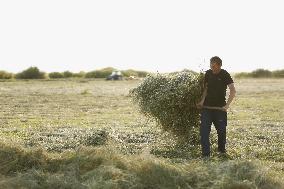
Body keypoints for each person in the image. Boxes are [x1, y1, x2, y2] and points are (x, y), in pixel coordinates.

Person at [196, 56, 236, 157]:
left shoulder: (225, 74)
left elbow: (232, 90)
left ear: (219, 65)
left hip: (220, 109)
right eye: (211, 65)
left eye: (214, 66)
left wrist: (227, 105)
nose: (212, 68)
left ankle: (221, 151)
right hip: (207, 108)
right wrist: (202, 101)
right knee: (204, 131)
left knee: (221, 131)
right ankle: (206, 155)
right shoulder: (208, 73)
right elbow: (206, 88)